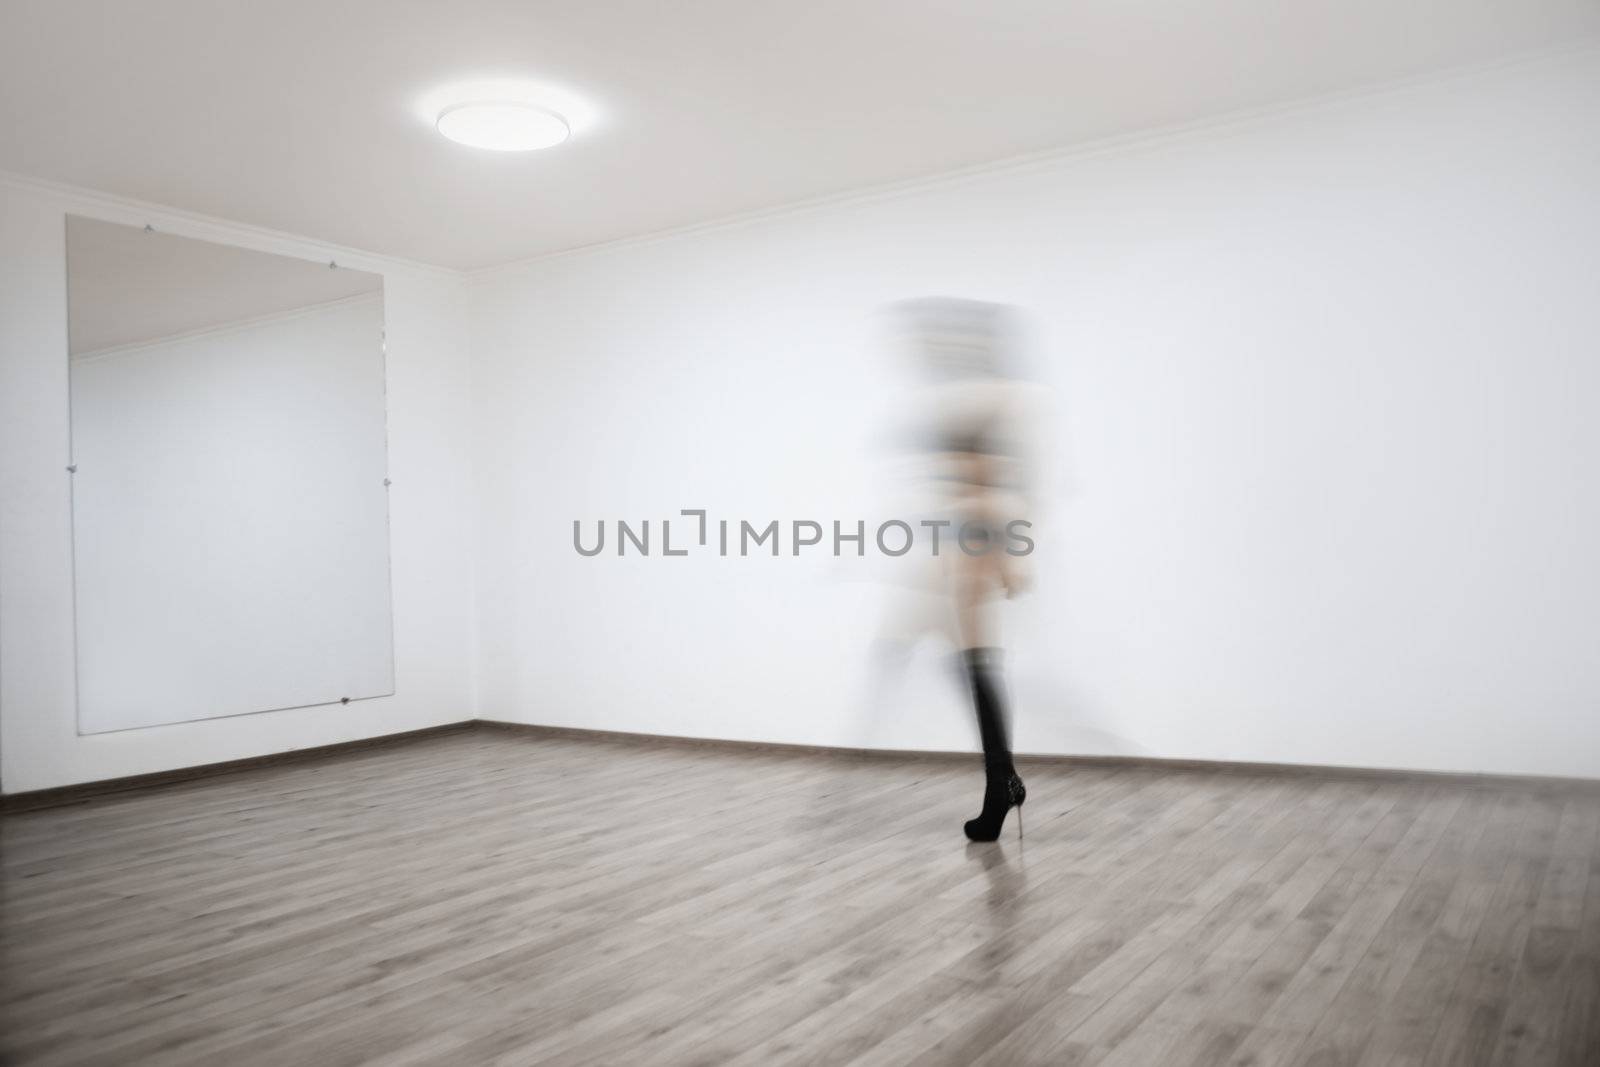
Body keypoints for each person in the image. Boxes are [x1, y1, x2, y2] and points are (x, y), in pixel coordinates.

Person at [880, 297, 1039, 841]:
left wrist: (1013, 555)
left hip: (978, 537)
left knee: (972, 659)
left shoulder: (995, 400)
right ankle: (1003, 779)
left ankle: (1002, 785)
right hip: (957, 539)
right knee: (965, 659)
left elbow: (1005, 480)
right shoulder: (963, 402)